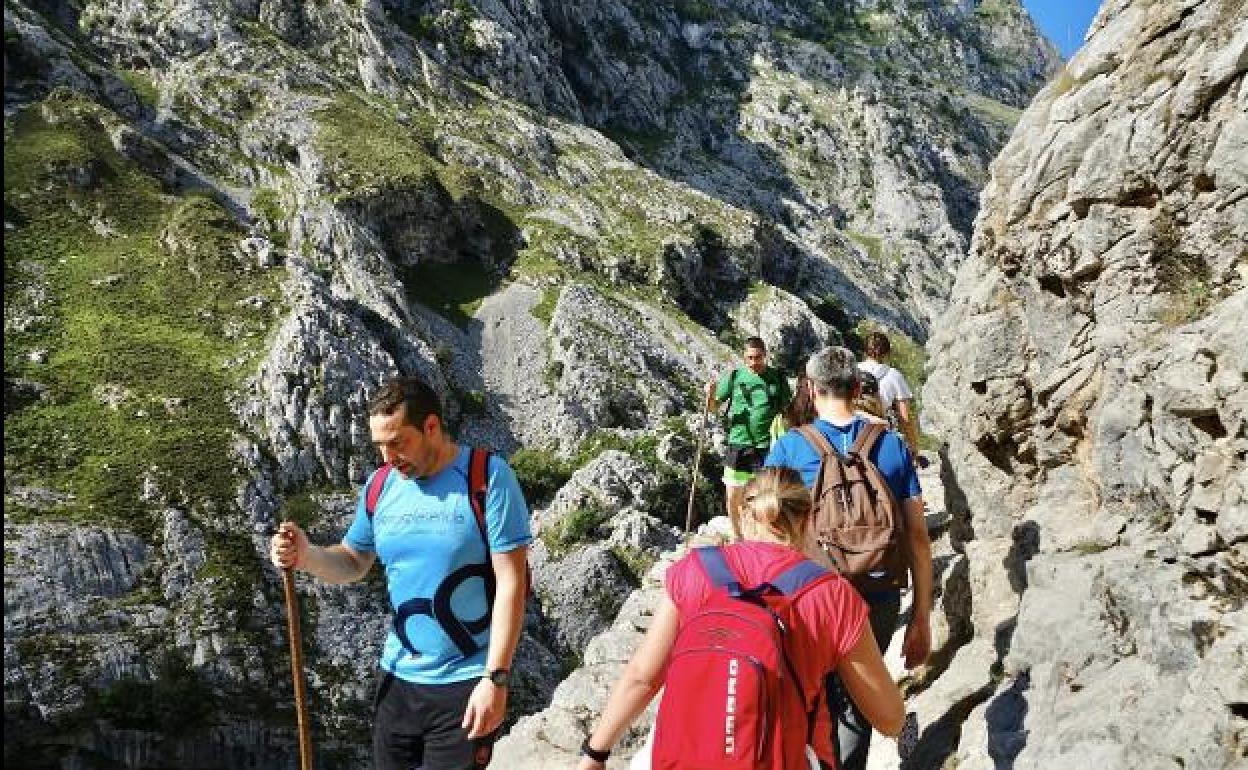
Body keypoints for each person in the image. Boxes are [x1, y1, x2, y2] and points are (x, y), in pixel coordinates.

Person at [269, 376, 531, 770]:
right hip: (396, 683)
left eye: (398, 442)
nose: (388, 458)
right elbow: (354, 560)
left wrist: (496, 679)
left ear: (431, 427)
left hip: (465, 683)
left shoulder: (487, 478)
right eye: (380, 446)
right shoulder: (380, 486)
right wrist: (306, 556)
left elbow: (512, 583)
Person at [574, 468, 905, 770]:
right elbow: (889, 718)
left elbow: (642, 678)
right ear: (808, 519)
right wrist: (820, 560)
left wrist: (595, 753)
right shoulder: (832, 595)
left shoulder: (695, 570)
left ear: (742, 514)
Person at [765, 346, 933, 770]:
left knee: (809, 699)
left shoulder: (789, 448)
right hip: (878, 593)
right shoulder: (892, 445)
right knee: (856, 709)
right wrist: (922, 619)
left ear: (810, 389)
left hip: (811, 599)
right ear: (858, 389)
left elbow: (764, 537)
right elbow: (917, 536)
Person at [703, 337, 791, 537]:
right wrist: (710, 395)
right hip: (738, 444)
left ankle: (762, 537)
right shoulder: (734, 377)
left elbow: (788, 410)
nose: (754, 363)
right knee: (734, 495)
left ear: (765, 355)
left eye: (758, 357)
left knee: (765, 498)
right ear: (744, 357)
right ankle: (737, 537)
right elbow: (714, 408)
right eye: (750, 358)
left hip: (766, 447)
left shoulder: (777, 378)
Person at [858, 331, 922, 463]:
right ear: (887, 353)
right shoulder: (894, 375)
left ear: (864, 350)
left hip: (852, 428)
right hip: (878, 432)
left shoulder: (852, 370)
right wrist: (914, 446)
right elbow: (905, 418)